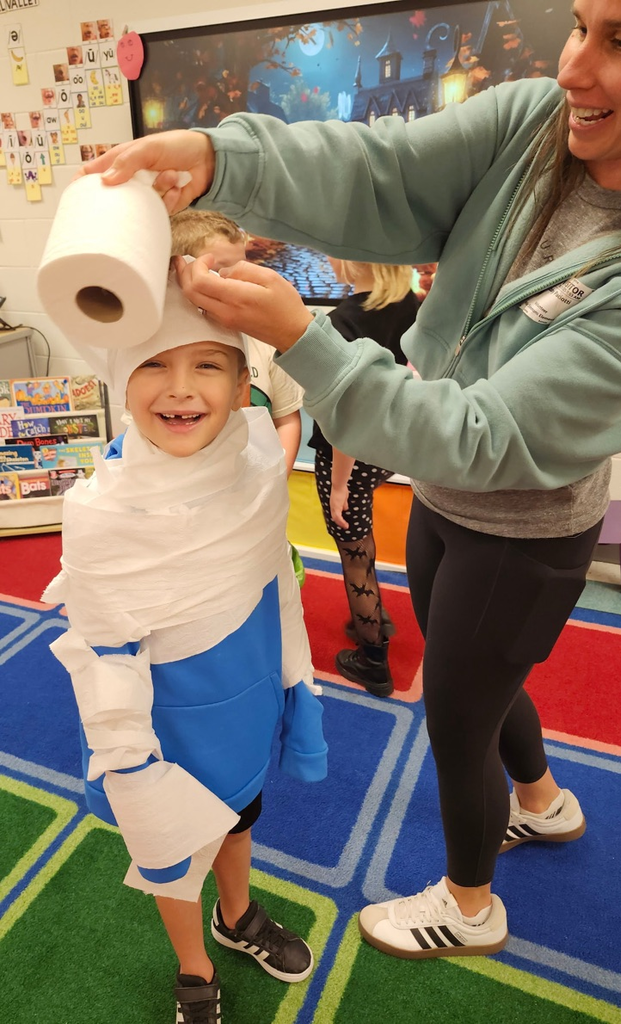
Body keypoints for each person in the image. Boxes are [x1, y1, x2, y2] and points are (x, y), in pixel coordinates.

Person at [80, 0, 621, 959]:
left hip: (522, 531)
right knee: (483, 673)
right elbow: (378, 172)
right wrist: (222, 160)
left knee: (456, 712)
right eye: (579, 25)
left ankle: (471, 907)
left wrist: (305, 342)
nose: (573, 68)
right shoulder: (532, 124)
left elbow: (479, 436)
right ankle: (543, 802)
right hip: (441, 503)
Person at [43, 269, 328, 1022]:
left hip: (246, 688)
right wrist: (130, 765)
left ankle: (236, 919)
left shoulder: (259, 461)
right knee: (173, 847)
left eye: (207, 364)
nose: (181, 389)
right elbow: (105, 648)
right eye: (153, 365)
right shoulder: (102, 511)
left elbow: (275, 578)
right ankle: (194, 968)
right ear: (117, 379)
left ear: (243, 385)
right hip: (162, 721)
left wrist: (294, 679)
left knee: (238, 816)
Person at [310, 259, 419, 697]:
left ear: (351, 259)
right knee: (363, 542)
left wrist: (338, 484)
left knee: (353, 553)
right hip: (385, 448)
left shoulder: (342, 322)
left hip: (349, 458)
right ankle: (372, 617)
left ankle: (373, 660)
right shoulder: (408, 303)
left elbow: (344, 417)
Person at [170, 209, 303, 475]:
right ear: (178, 273)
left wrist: (277, 477)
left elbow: (287, 419)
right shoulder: (163, 349)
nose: (238, 282)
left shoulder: (265, 341)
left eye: (242, 269)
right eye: (219, 271)